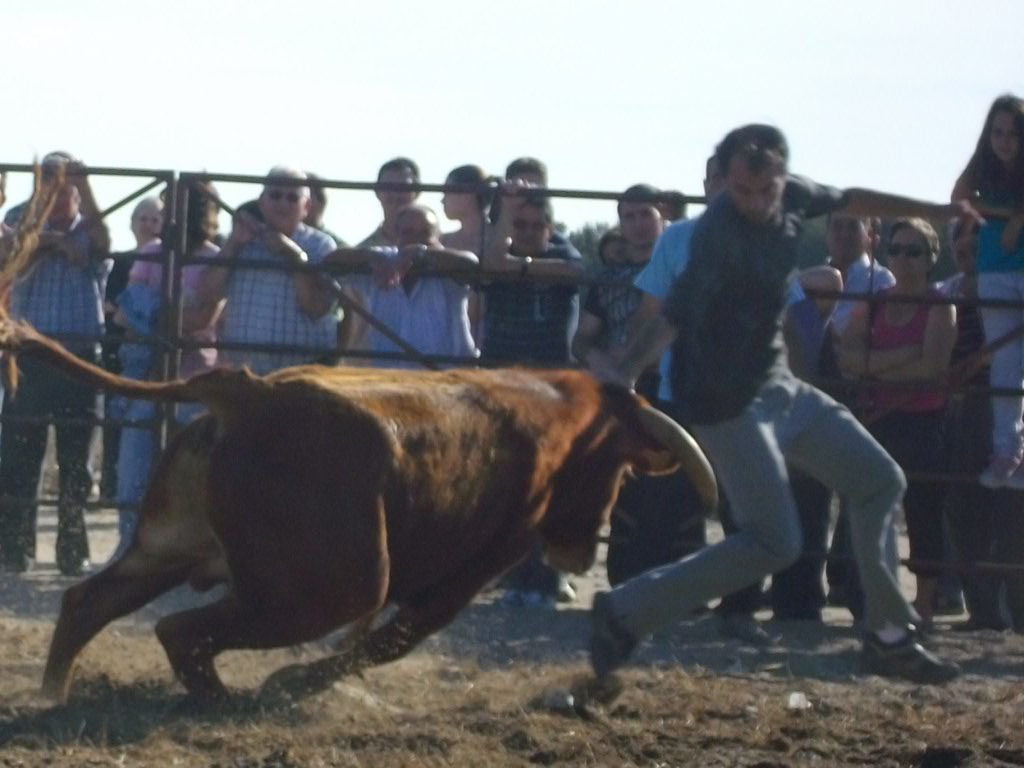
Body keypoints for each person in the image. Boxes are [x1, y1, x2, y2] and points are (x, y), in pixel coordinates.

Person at [588, 123, 978, 685]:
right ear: (724, 184)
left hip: (779, 388)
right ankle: (624, 611)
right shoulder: (716, 238)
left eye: (763, 190)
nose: (752, 202)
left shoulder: (794, 194)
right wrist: (625, 369)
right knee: (776, 541)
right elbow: (673, 314)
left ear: (782, 179)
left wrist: (937, 211)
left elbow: (854, 198)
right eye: (740, 191)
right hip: (722, 403)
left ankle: (888, 636)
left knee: (878, 480)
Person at [838, 218, 957, 629]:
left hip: (925, 419)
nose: (903, 259)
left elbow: (932, 370)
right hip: (879, 418)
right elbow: (846, 359)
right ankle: (873, 598)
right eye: (896, 249)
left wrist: (874, 366)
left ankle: (924, 605)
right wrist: (907, 355)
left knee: (924, 511)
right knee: (872, 507)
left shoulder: (941, 306)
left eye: (914, 251)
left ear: (931, 258)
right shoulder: (873, 302)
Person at [0, 152, 111, 576]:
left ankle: (71, 548)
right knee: (20, 456)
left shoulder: (91, 223)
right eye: (48, 178)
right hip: (29, 355)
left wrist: (87, 188)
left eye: (66, 181)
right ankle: (15, 547)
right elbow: (13, 252)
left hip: (77, 357)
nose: (56, 188)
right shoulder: (20, 217)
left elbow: (102, 246)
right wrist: (53, 242)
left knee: (76, 461)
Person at [107, 188, 223, 561]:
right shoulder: (153, 252)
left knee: (191, 474)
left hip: (195, 380)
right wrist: (172, 317)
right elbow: (125, 310)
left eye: (178, 206)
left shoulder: (214, 259)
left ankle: (185, 557)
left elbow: (201, 320)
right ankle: (129, 550)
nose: (170, 215)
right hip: (149, 376)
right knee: (134, 470)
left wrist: (152, 312)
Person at [481, 188, 582, 605]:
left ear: (550, 228)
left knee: (548, 483)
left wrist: (517, 266)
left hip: (549, 389)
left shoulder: (567, 257)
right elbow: (491, 265)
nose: (525, 232)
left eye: (535, 225)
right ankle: (513, 574)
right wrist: (505, 217)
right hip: (504, 384)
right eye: (517, 225)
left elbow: (571, 272)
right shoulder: (498, 254)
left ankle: (547, 575)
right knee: (508, 484)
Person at [195, 166, 337, 375]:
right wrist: (233, 245)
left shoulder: (320, 245)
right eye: (275, 195)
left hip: (300, 374)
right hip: (242, 374)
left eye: (292, 198)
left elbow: (317, 307)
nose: (283, 203)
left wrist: (294, 255)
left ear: (306, 206)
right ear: (262, 202)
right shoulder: (240, 240)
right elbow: (206, 294)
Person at [951, 94, 1024, 489]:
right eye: (998, 132)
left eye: (1013, 133)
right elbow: (958, 197)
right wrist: (995, 212)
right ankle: (1007, 452)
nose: (1005, 141)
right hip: (995, 271)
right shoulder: (982, 166)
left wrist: (1017, 217)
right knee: (1005, 363)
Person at [328, 204, 478, 368]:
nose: (416, 240)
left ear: (437, 237)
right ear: (396, 236)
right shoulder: (383, 261)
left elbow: (471, 264)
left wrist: (420, 253)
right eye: (408, 233)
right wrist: (371, 256)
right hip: (388, 378)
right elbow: (330, 261)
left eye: (425, 233)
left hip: (446, 377)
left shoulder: (447, 268)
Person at [99, 196, 166, 501]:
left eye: (155, 219)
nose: (148, 225)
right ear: (132, 223)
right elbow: (109, 304)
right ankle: (110, 483)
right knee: (117, 416)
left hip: (154, 349)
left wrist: (130, 310)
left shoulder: (168, 260)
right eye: (143, 218)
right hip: (121, 348)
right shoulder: (122, 261)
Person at [358, 157, 420, 248]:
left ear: (417, 192)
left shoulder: (438, 250)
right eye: (388, 187)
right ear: (377, 192)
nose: (395, 195)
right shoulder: (364, 252)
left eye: (403, 188)